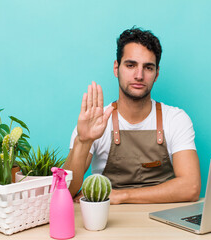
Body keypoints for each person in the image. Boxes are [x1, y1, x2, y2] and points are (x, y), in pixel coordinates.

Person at [63, 27, 200, 204]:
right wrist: (83, 141)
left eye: (148, 67)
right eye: (130, 65)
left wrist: (122, 195)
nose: (139, 75)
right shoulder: (95, 122)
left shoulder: (175, 119)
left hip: (164, 221)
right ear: (116, 68)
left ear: (156, 74)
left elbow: (191, 187)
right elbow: (66, 191)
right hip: (107, 222)